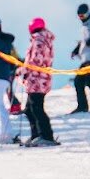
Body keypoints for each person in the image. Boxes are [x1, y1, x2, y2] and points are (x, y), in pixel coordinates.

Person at [21, 17, 58, 146]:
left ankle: (46, 135)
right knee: (29, 108)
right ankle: (36, 135)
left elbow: (36, 59)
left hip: (37, 79)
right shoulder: (43, 39)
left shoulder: (39, 40)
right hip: (38, 78)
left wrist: (24, 70)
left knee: (36, 107)